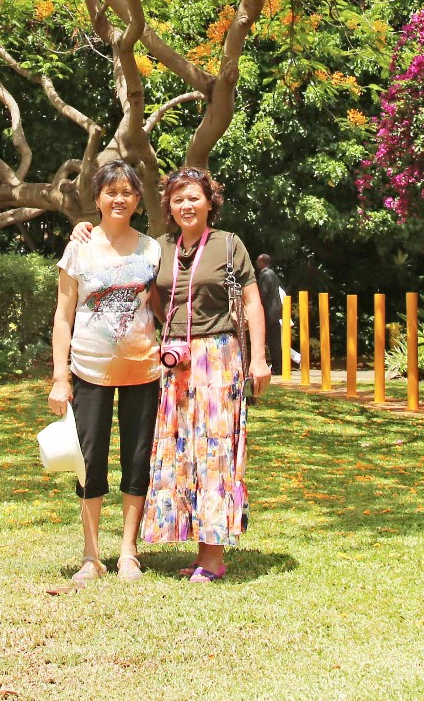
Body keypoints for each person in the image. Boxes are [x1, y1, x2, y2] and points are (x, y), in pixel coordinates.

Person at [145, 168, 270, 583]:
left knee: (214, 449)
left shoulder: (229, 245)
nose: (186, 205)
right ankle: (201, 548)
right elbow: (151, 292)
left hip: (219, 357)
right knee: (183, 450)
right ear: (169, 207)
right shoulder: (160, 247)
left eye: (194, 197)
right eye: (178, 199)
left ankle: (213, 558)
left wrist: (259, 359)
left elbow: (252, 301)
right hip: (176, 362)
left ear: (210, 201)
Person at [49, 161, 163, 584]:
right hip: (89, 372)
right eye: (111, 192)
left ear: (137, 199)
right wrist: (61, 376)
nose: (120, 199)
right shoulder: (78, 247)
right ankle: (91, 556)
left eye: (128, 192)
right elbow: (63, 317)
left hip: (144, 371)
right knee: (89, 462)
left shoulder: (152, 249)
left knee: (137, 460)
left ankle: (129, 552)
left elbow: (161, 307)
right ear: (96, 198)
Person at [254, 252, 286, 376]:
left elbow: (263, 293)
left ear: (263, 262)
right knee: (275, 341)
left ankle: (278, 367)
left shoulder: (266, 275)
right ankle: (278, 366)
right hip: (275, 312)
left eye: (258, 261)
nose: (257, 264)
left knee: (273, 341)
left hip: (269, 312)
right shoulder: (272, 274)